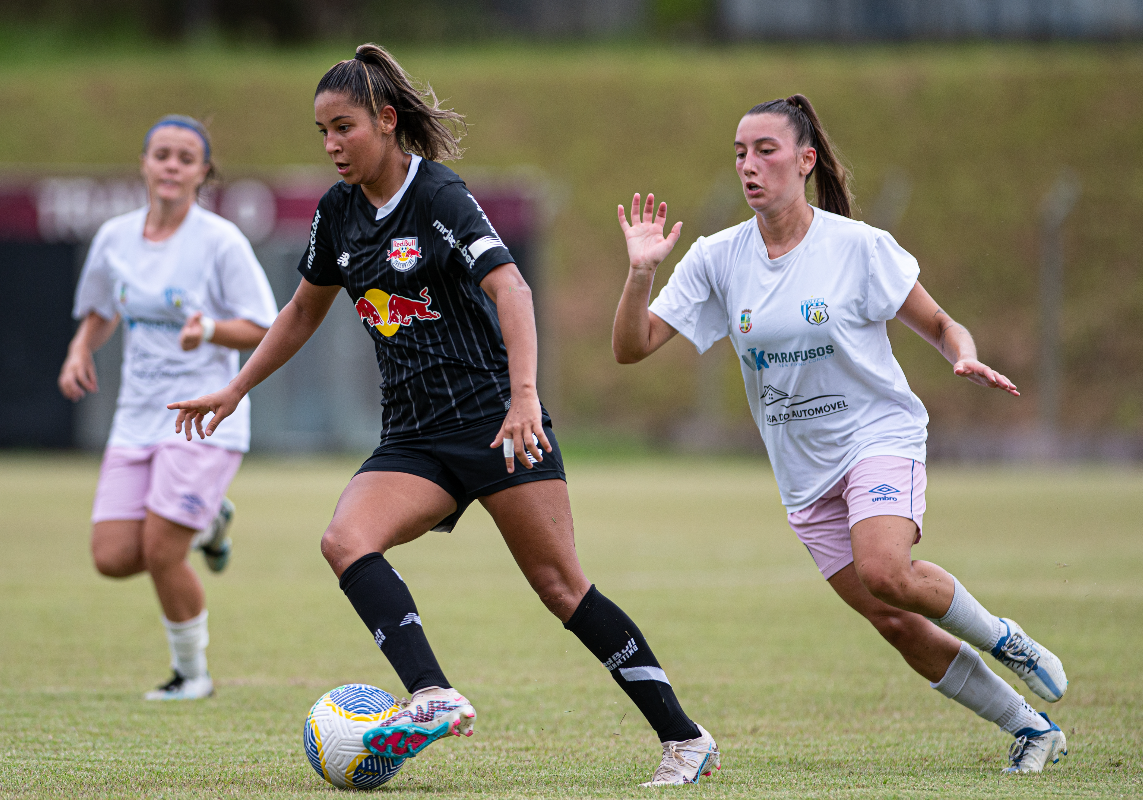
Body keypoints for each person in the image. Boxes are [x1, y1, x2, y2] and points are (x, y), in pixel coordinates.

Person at [168, 44, 719, 786]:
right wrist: (236, 389)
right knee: (345, 540)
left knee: (562, 588)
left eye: (344, 128)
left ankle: (684, 739)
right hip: (413, 438)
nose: (331, 145)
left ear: (387, 122)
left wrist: (525, 398)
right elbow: (301, 313)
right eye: (322, 132)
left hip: (496, 422)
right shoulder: (336, 215)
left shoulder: (440, 197)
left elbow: (512, 291)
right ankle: (431, 694)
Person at [612, 94, 1069, 775]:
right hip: (802, 472)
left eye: (765, 150)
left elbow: (941, 324)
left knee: (886, 568)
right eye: (739, 152)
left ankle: (1008, 639)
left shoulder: (857, 246)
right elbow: (632, 346)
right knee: (892, 619)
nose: (749, 164)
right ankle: (1030, 727)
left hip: (877, 434)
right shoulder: (717, 257)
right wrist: (641, 271)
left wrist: (961, 355)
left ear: (806, 159)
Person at [58, 115, 278, 701]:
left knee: (160, 551)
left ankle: (192, 675)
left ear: (203, 172)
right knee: (110, 557)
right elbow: (101, 309)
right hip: (136, 417)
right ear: (144, 163)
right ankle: (209, 523)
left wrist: (208, 329)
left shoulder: (220, 240)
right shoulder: (114, 237)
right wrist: (80, 349)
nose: (172, 166)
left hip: (202, 418)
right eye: (162, 154)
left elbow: (263, 326)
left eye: (186, 157)